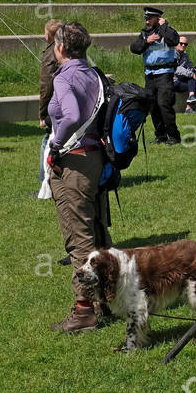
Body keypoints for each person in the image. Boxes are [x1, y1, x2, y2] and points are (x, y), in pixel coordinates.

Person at [46, 22, 111, 334]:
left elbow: (70, 115)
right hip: (95, 159)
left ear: (60, 48)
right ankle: (106, 299)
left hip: (75, 162)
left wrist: (56, 144)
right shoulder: (93, 73)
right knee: (96, 232)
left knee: (79, 238)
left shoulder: (64, 76)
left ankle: (85, 310)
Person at [129, 7, 181, 146]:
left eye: (149, 18)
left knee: (164, 104)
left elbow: (173, 41)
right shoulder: (145, 33)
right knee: (153, 106)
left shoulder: (168, 30)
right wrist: (147, 41)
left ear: (157, 18)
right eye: (145, 18)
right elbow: (134, 48)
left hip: (164, 73)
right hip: (150, 75)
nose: (146, 21)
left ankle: (174, 136)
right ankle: (161, 135)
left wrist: (164, 26)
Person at [36, 17, 63, 197]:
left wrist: (42, 113)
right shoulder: (69, 50)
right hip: (67, 103)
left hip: (55, 104)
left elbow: (46, 86)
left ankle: (44, 182)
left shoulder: (50, 53)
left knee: (48, 142)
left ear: (49, 36)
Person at [172, 34, 196, 109]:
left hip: (180, 80)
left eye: (185, 44)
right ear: (176, 43)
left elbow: (190, 66)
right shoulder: (172, 54)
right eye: (181, 43)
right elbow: (176, 68)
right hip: (173, 81)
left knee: (194, 81)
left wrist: (194, 72)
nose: (183, 45)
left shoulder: (185, 55)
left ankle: (191, 98)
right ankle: (189, 107)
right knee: (193, 85)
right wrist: (191, 74)